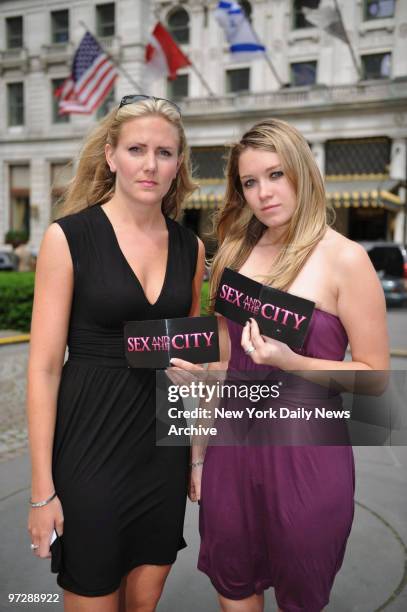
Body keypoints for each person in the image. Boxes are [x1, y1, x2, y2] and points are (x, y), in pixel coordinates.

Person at [171, 118, 389, 612]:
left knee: (301, 594)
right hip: (231, 448)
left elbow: (375, 377)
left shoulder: (346, 259)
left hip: (306, 453)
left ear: (303, 172)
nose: (264, 193)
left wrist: (294, 361)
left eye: (276, 175)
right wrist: (199, 452)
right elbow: (224, 363)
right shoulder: (232, 254)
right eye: (250, 181)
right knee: (233, 585)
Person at [27, 95, 205, 612]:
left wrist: (195, 453)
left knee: (144, 604)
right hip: (89, 450)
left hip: (160, 456)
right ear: (110, 155)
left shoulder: (189, 247)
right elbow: (41, 369)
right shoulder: (68, 238)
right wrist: (42, 491)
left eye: (165, 153)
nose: (150, 164)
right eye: (137, 149)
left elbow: (185, 362)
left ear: (179, 164)